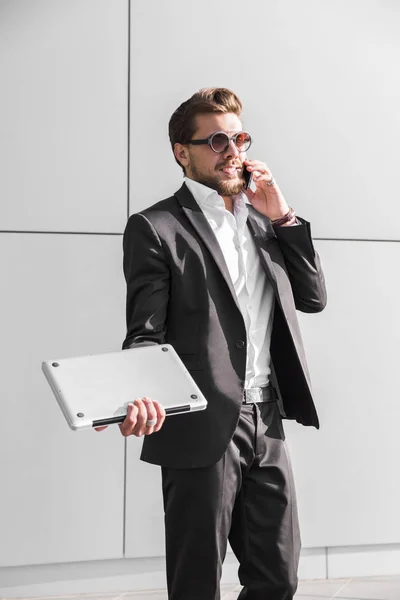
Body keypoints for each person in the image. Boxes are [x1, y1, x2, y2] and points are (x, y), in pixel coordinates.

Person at [120, 88, 326, 600]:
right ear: (181, 151)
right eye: (216, 139)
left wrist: (282, 214)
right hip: (199, 424)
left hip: (268, 421)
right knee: (196, 583)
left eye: (239, 137)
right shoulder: (156, 227)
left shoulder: (263, 224)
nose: (232, 149)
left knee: (277, 579)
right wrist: (139, 392)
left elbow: (313, 297)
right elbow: (145, 331)